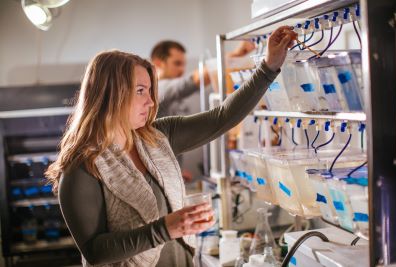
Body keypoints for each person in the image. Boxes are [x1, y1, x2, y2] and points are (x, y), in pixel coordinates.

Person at [45, 26, 296, 267]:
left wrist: (268, 66)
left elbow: (223, 117)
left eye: (150, 91)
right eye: (141, 91)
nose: (151, 101)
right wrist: (166, 229)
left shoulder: (157, 136)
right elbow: (94, 251)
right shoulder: (82, 167)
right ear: (113, 93)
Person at [151, 40, 256, 118]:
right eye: (177, 63)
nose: (182, 69)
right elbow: (193, 80)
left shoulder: (180, 92)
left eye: (183, 64)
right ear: (158, 63)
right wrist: (236, 54)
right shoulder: (157, 88)